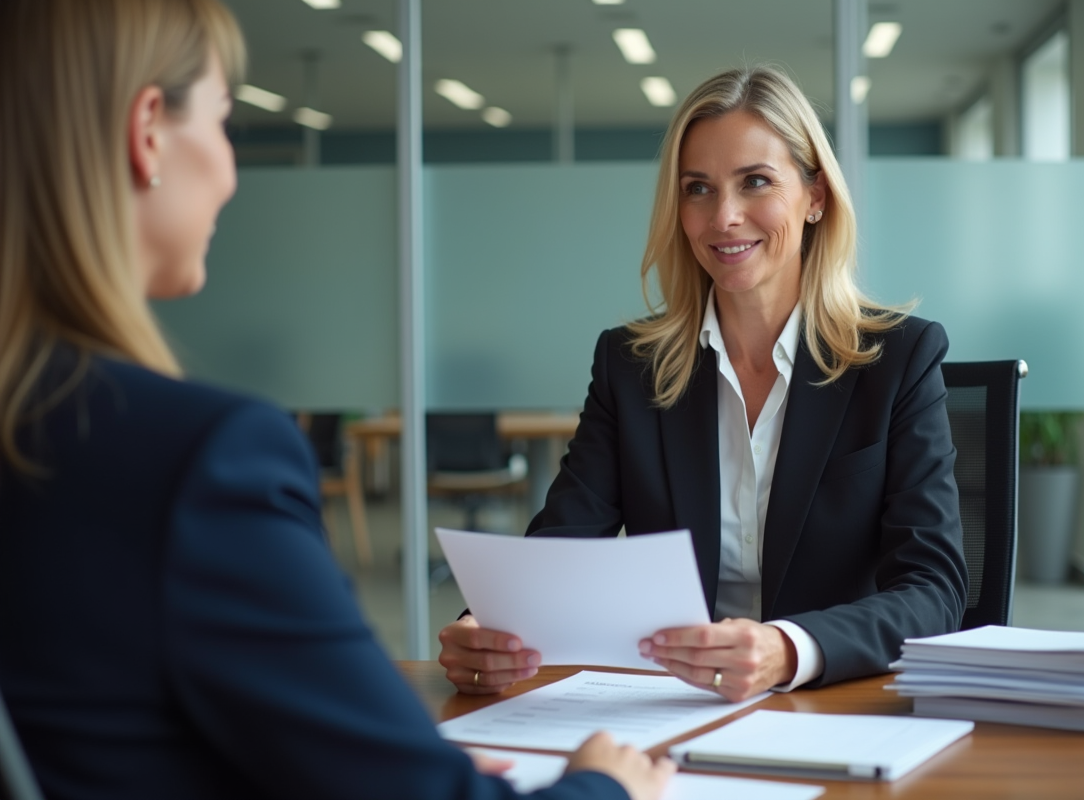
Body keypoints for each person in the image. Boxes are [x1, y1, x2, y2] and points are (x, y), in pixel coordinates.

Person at [0, 1, 676, 799]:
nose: (231, 173)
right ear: (148, 131)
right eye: (222, 122)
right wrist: (605, 786)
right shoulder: (199, 460)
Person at [438, 66, 969, 703]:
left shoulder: (897, 359)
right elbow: (561, 550)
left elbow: (933, 589)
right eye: (698, 189)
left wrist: (786, 649)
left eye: (755, 182)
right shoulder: (631, 367)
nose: (724, 217)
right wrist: (486, 630)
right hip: (673, 705)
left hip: (834, 703)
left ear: (816, 197)